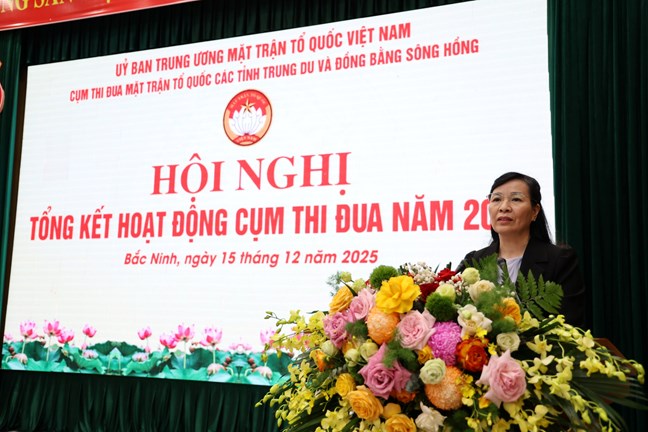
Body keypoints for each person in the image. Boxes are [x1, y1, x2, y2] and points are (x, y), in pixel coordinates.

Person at [457, 172, 587, 328]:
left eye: (516, 199)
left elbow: (569, 325)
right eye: (496, 199)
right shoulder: (473, 261)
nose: (504, 207)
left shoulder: (560, 261)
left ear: (534, 211)